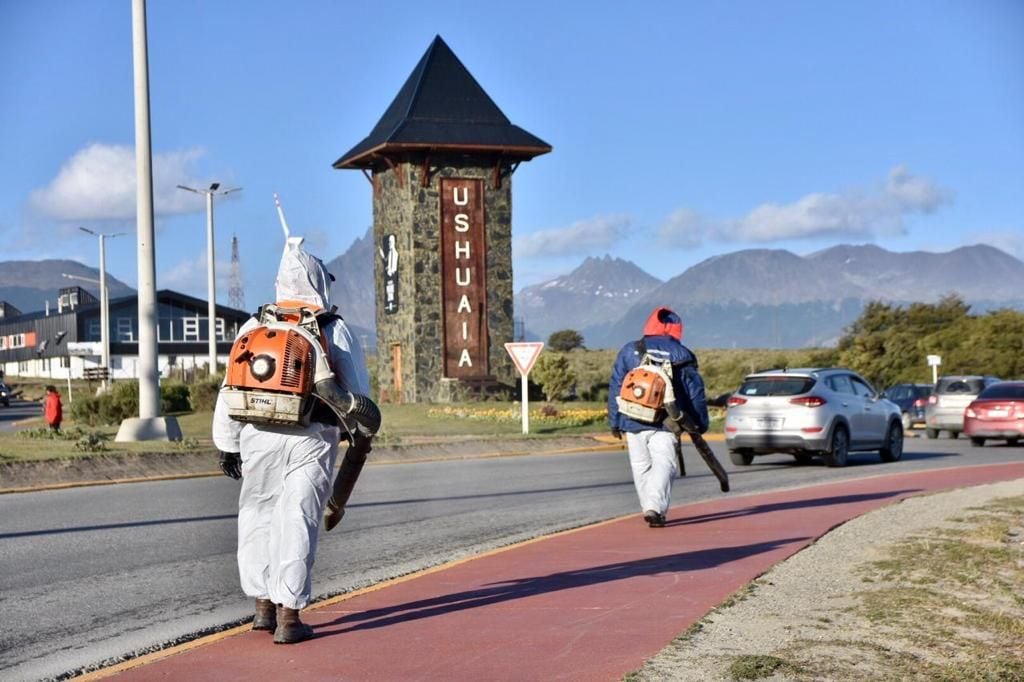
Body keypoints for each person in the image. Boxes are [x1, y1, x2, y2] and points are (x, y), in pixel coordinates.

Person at [212, 238, 371, 644]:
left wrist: (227, 443)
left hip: (256, 436)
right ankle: (290, 617)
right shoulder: (332, 328)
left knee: (257, 516)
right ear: (318, 281)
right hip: (311, 437)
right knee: (297, 519)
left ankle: (261, 609)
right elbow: (356, 393)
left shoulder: (255, 325)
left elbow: (230, 387)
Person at [608, 307, 709, 528]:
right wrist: (700, 423)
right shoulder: (683, 354)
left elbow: (617, 386)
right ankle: (654, 507)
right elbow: (695, 393)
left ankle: (651, 508)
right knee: (665, 463)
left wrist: (614, 421)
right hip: (666, 421)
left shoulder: (629, 350)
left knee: (641, 466)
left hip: (631, 419)